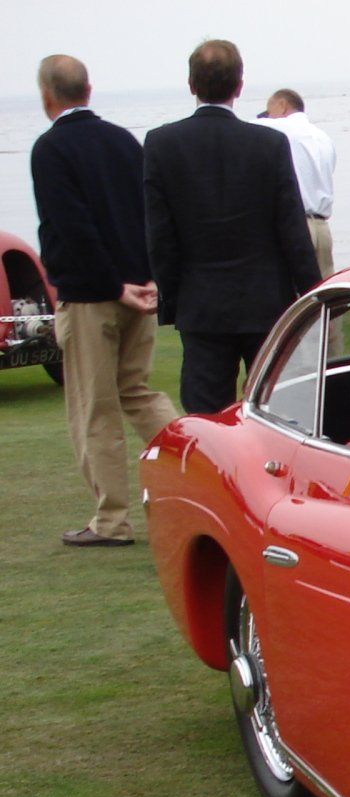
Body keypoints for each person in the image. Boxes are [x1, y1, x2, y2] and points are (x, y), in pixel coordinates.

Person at [30, 53, 178, 548]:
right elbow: (151, 212)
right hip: (138, 288)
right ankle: (197, 467)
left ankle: (112, 521)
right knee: (136, 391)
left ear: (47, 96)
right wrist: (151, 277)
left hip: (96, 296)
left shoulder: (51, 149)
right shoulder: (123, 141)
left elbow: (72, 227)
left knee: (95, 408)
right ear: (89, 91)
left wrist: (113, 285)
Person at [143, 40, 320, 417]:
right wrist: (312, 291)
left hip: (201, 304)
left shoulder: (162, 145)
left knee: (208, 418)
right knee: (275, 412)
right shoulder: (269, 144)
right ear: (239, 86)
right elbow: (291, 228)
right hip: (265, 300)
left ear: (191, 84)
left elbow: (161, 237)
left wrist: (173, 300)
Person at [254, 88, 337, 277]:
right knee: (323, 292)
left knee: (296, 297)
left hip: (298, 225)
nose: (268, 115)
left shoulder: (281, 127)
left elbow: (243, 128)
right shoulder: (323, 138)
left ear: (282, 106)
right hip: (322, 227)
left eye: (269, 110)